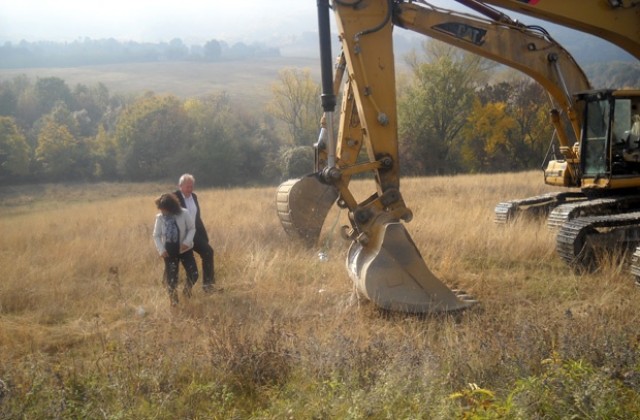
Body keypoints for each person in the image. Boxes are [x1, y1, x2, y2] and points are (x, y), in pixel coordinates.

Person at [174, 173, 218, 293]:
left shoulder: (194, 196)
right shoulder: (174, 197)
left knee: (208, 252)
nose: (190, 189)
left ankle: (208, 286)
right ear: (180, 186)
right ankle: (170, 286)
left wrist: (203, 236)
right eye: (187, 186)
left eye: (192, 186)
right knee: (174, 261)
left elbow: (197, 217)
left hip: (195, 233)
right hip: (180, 236)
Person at [153, 192, 199, 305]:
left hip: (185, 250)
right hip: (168, 251)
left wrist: (187, 242)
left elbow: (192, 228)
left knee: (194, 274)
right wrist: (161, 250)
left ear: (171, 207)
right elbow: (156, 235)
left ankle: (187, 291)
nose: (162, 212)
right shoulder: (160, 218)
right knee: (172, 278)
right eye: (161, 209)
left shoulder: (184, 213)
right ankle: (174, 302)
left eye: (164, 209)